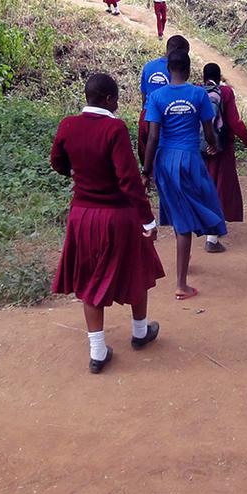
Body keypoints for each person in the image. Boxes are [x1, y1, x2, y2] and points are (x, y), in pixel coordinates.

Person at [50, 73, 164, 374]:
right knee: (138, 268)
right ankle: (140, 332)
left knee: (89, 278)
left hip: (82, 215)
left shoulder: (68, 125)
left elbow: (57, 161)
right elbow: (128, 180)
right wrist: (148, 220)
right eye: (116, 100)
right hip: (117, 216)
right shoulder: (114, 128)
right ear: (109, 99)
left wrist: (77, 174)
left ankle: (98, 351)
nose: (117, 105)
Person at [142, 51, 227, 300]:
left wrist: (146, 171)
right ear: (189, 70)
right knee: (188, 218)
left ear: (168, 70)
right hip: (190, 159)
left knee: (182, 214)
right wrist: (213, 146)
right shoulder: (198, 94)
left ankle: (184, 260)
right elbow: (208, 130)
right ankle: (181, 284)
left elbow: (153, 136)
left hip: (165, 160)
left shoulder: (157, 96)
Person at [200, 62, 247, 253]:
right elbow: (235, 123)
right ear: (219, 77)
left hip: (199, 149)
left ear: (203, 77)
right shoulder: (226, 93)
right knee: (220, 189)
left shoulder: (195, 91)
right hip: (221, 149)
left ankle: (208, 228)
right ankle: (212, 239)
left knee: (205, 188)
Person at [139, 34, 190, 159]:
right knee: (162, 156)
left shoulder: (149, 66)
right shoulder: (176, 70)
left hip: (146, 115)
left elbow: (144, 96)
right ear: (178, 50)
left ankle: (146, 170)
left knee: (145, 152)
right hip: (166, 118)